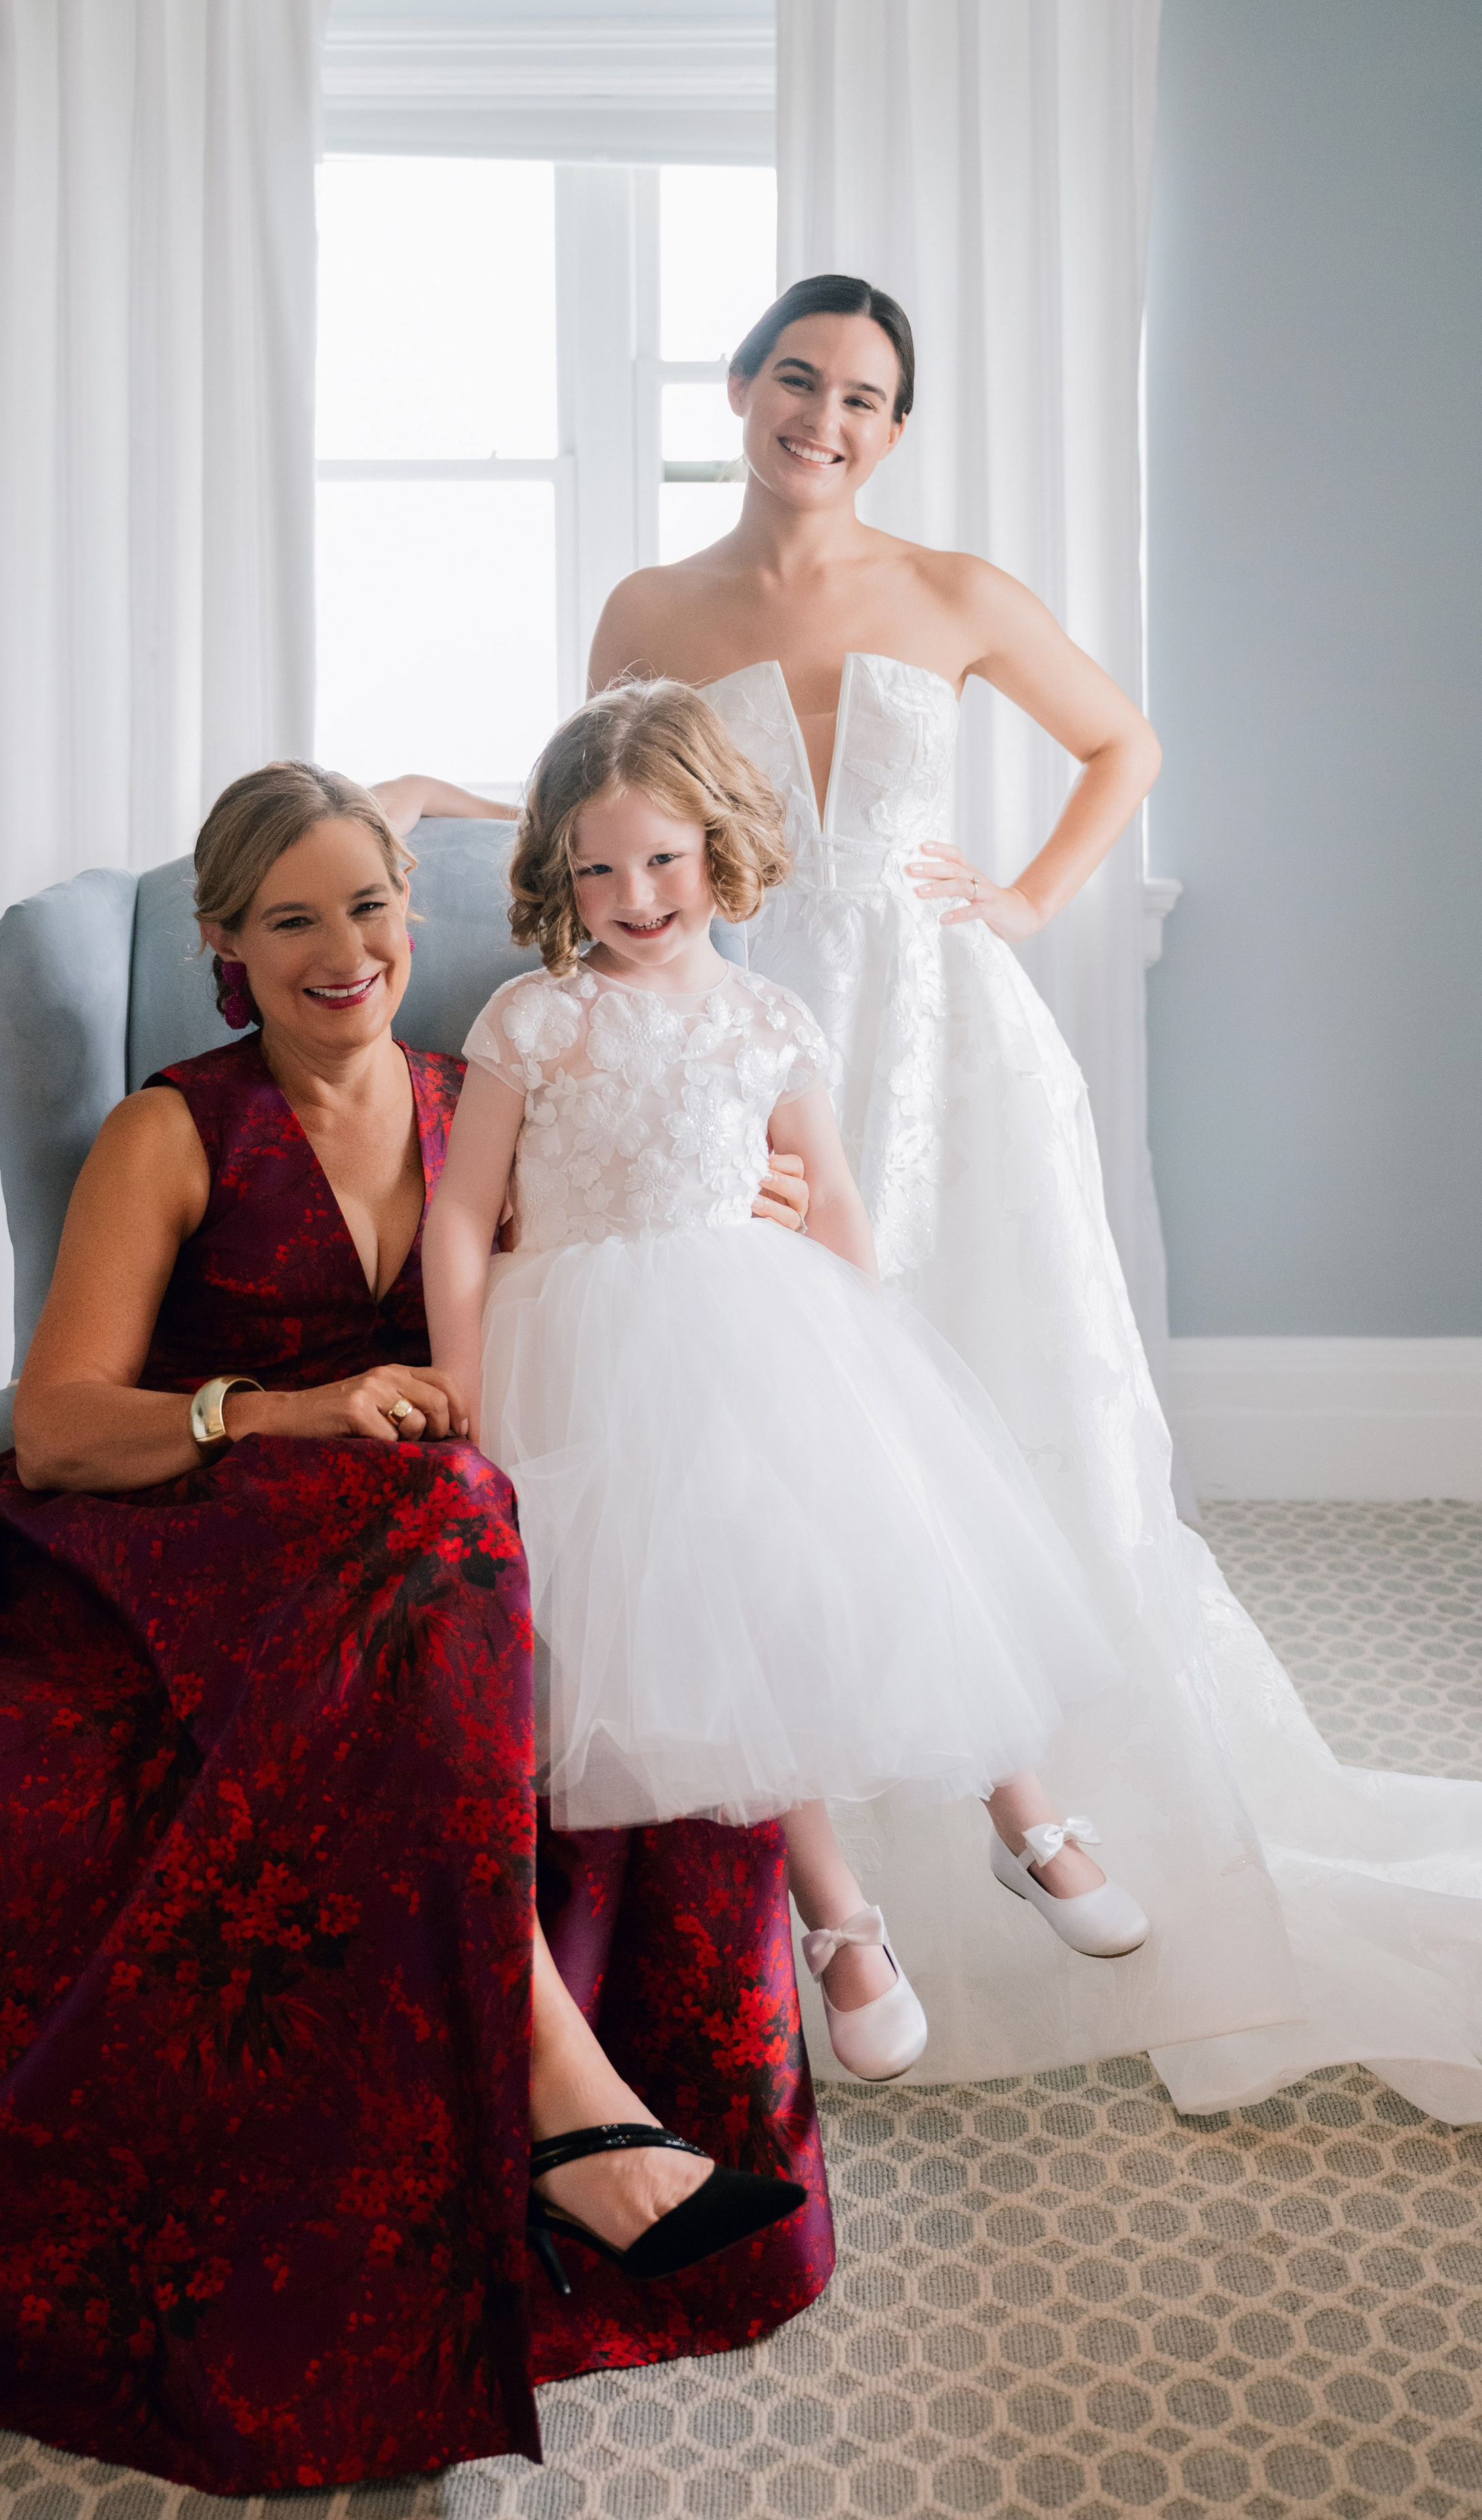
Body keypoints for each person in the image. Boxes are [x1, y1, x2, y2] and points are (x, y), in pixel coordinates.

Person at [0, 766, 833, 2497]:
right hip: (161, 1542)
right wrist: (280, 1411)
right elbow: (59, 1426)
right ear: (224, 951)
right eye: (293, 920)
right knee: (449, 1519)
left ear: (416, 916)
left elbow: (602, 1270)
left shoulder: (476, 1097)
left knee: (487, 1534)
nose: (347, 950)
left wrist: (744, 1209)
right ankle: (571, 2098)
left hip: (404, 1561)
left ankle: (587, 2104)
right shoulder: (169, 1128)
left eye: (372, 907)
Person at [570, 273, 1482, 2123]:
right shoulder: (652, 610)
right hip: (761, 1040)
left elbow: (1122, 744)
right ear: (740, 388)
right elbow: (607, 810)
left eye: (868, 398)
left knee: (993, 1377)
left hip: (946, 1035)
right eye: (799, 379)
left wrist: (1029, 898)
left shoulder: (959, 591)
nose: (826, 418)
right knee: (796, 1425)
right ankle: (847, 1892)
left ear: (896, 431)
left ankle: (1038, 1807)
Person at [423, 682, 1151, 2097]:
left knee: (877, 1545)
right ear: (556, 873)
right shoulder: (535, 1019)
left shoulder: (768, 1016)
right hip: (581, 1351)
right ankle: (840, 1919)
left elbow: (835, 1213)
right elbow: (462, 1215)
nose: (633, 894)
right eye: (595, 867)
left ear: (718, 843)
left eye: (661, 858)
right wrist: (459, 1370)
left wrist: (860, 1363)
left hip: (758, 1325)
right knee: (725, 1612)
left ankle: (1024, 1812)